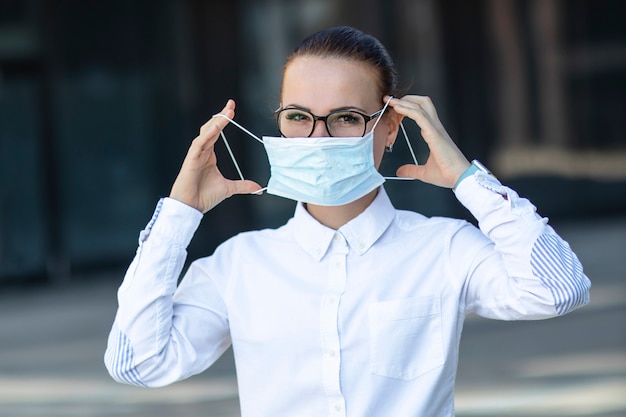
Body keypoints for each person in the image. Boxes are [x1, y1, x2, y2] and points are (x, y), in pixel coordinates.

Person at [104, 26, 590, 416]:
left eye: (346, 118)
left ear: (391, 126)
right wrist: (179, 213)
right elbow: (138, 362)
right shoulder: (237, 266)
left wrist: (467, 178)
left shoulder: (444, 248)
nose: (318, 138)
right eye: (298, 116)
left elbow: (558, 289)